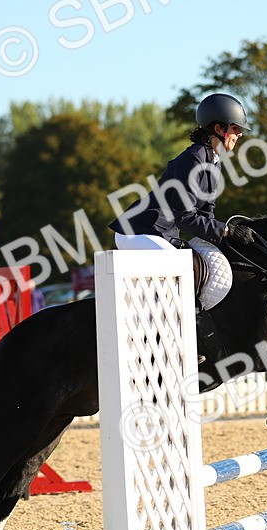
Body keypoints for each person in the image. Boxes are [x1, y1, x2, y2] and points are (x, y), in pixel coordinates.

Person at [108, 92, 256, 363]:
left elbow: (206, 213)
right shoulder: (193, 159)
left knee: (197, 265)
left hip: (160, 232)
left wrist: (228, 238)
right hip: (138, 231)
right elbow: (185, 218)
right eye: (235, 128)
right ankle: (168, 341)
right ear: (219, 128)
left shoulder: (212, 162)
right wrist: (224, 230)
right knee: (179, 271)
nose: (239, 135)